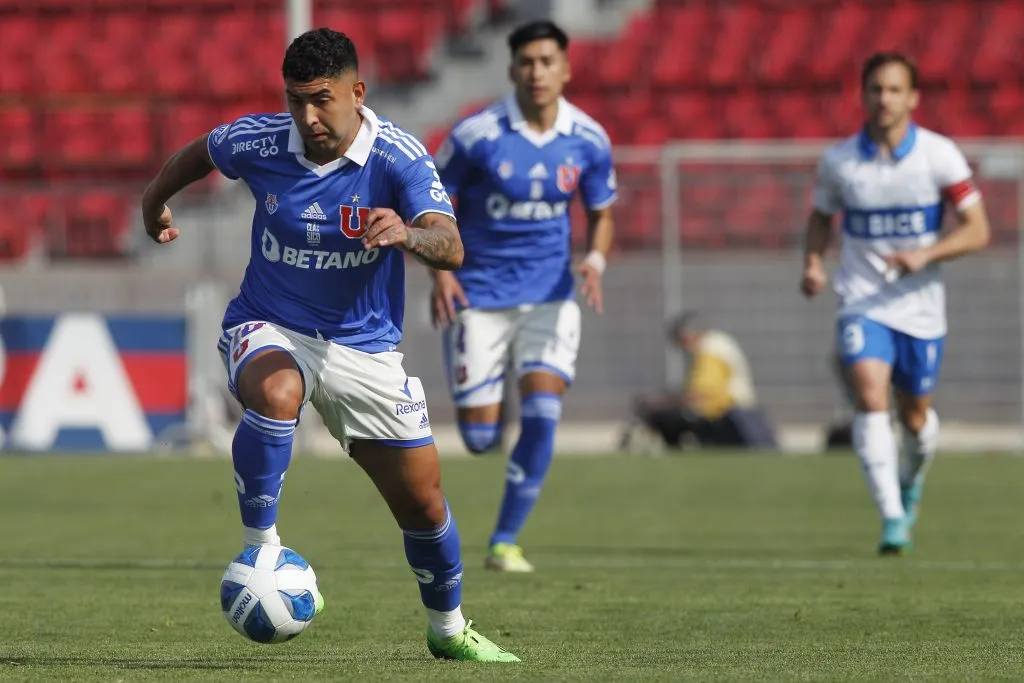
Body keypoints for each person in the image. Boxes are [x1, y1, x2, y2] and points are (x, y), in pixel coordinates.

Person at [140, 28, 518, 662]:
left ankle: (449, 631)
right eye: (295, 101)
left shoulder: (397, 157)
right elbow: (203, 151)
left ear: (356, 92)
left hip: (362, 349)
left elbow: (450, 245)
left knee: (424, 504)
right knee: (278, 388)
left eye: (321, 100)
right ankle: (261, 545)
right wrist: (154, 203)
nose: (308, 117)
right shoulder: (260, 140)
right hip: (268, 323)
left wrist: (406, 235)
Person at [429, 20, 617, 573]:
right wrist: (440, 272)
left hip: (550, 297)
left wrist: (596, 258)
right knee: (482, 438)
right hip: (479, 297)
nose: (537, 72)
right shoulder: (475, 135)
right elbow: (433, 202)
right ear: (512, 69)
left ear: (566, 69)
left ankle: (504, 542)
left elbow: (602, 212)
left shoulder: (589, 139)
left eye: (547, 61)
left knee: (542, 412)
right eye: (527, 62)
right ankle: (489, 397)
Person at [801, 52, 990, 555]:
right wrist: (814, 262)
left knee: (914, 420)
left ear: (912, 98)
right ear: (863, 95)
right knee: (868, 395)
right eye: (875, 89)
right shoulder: (840, 161)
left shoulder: (939, 156)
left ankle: (910, 481)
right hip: (861, 300)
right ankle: (891, 518)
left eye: (893, 90)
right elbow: (821, 216)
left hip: (921, 308)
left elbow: (978, 230)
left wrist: (926, 253)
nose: (883, 99)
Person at [624, 312, 776, 451]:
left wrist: (660, 402)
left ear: (691, 335)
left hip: (731, 417)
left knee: (665, 418)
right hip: (734, 413)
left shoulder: (710, 350)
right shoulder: (716, 344)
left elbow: (701, 395)